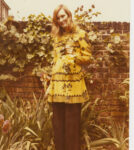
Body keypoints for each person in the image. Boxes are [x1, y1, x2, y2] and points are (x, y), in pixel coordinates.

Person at [47, 4, 92, 150]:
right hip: (58, 86)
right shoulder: (57, 37)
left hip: (73, 86)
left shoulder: (80, 34)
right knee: (58, 126)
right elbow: (56, 61)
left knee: (72, 127)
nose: (61, 20)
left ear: (69, 15)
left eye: (63, 16)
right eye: (58, 18)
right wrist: (50, 83)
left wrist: (74, 56)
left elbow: (88, 57)